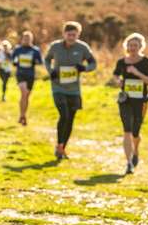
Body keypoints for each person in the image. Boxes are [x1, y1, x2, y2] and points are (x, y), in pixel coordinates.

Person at [44, 21, 96, 159]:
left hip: (74, 90)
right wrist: (51, 71)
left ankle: (62, 147)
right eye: (69, 34)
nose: (71, 37)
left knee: (71, 119)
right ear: (64, 34)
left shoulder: (82, 47)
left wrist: (85, 68)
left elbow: (93, 63)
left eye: (74, 35)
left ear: (78, 35)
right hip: (58, 87)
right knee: (64, 115)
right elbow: (47, 59)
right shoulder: (55, 47)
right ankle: (59, 145)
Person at [113, 33, 148, 174]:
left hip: (141, 101)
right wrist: (118, 80)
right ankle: (129, 162)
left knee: (136, 132)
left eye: (135, 45)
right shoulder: (121, 62)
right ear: (126, 46)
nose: (132, 48)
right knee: (127, 130)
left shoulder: (146, 62)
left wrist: (137, 72)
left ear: (140, 47)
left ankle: (136, 150)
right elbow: (115, 75)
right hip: (125, 100)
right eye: (130, 45)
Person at [11, 31, 43, 125]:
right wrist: (15, 62)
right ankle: (22, 116)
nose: (26, 40)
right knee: (24, 93)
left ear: (31, 40)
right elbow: (13, 58)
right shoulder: (18, 49)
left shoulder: (35, 50)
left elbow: (40, 61)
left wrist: (34, 61)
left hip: (30, 75)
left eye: (28, 39)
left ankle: (22, 115)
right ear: (22, 39)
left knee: (26, 96)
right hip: (20, 74)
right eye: (25, 39)